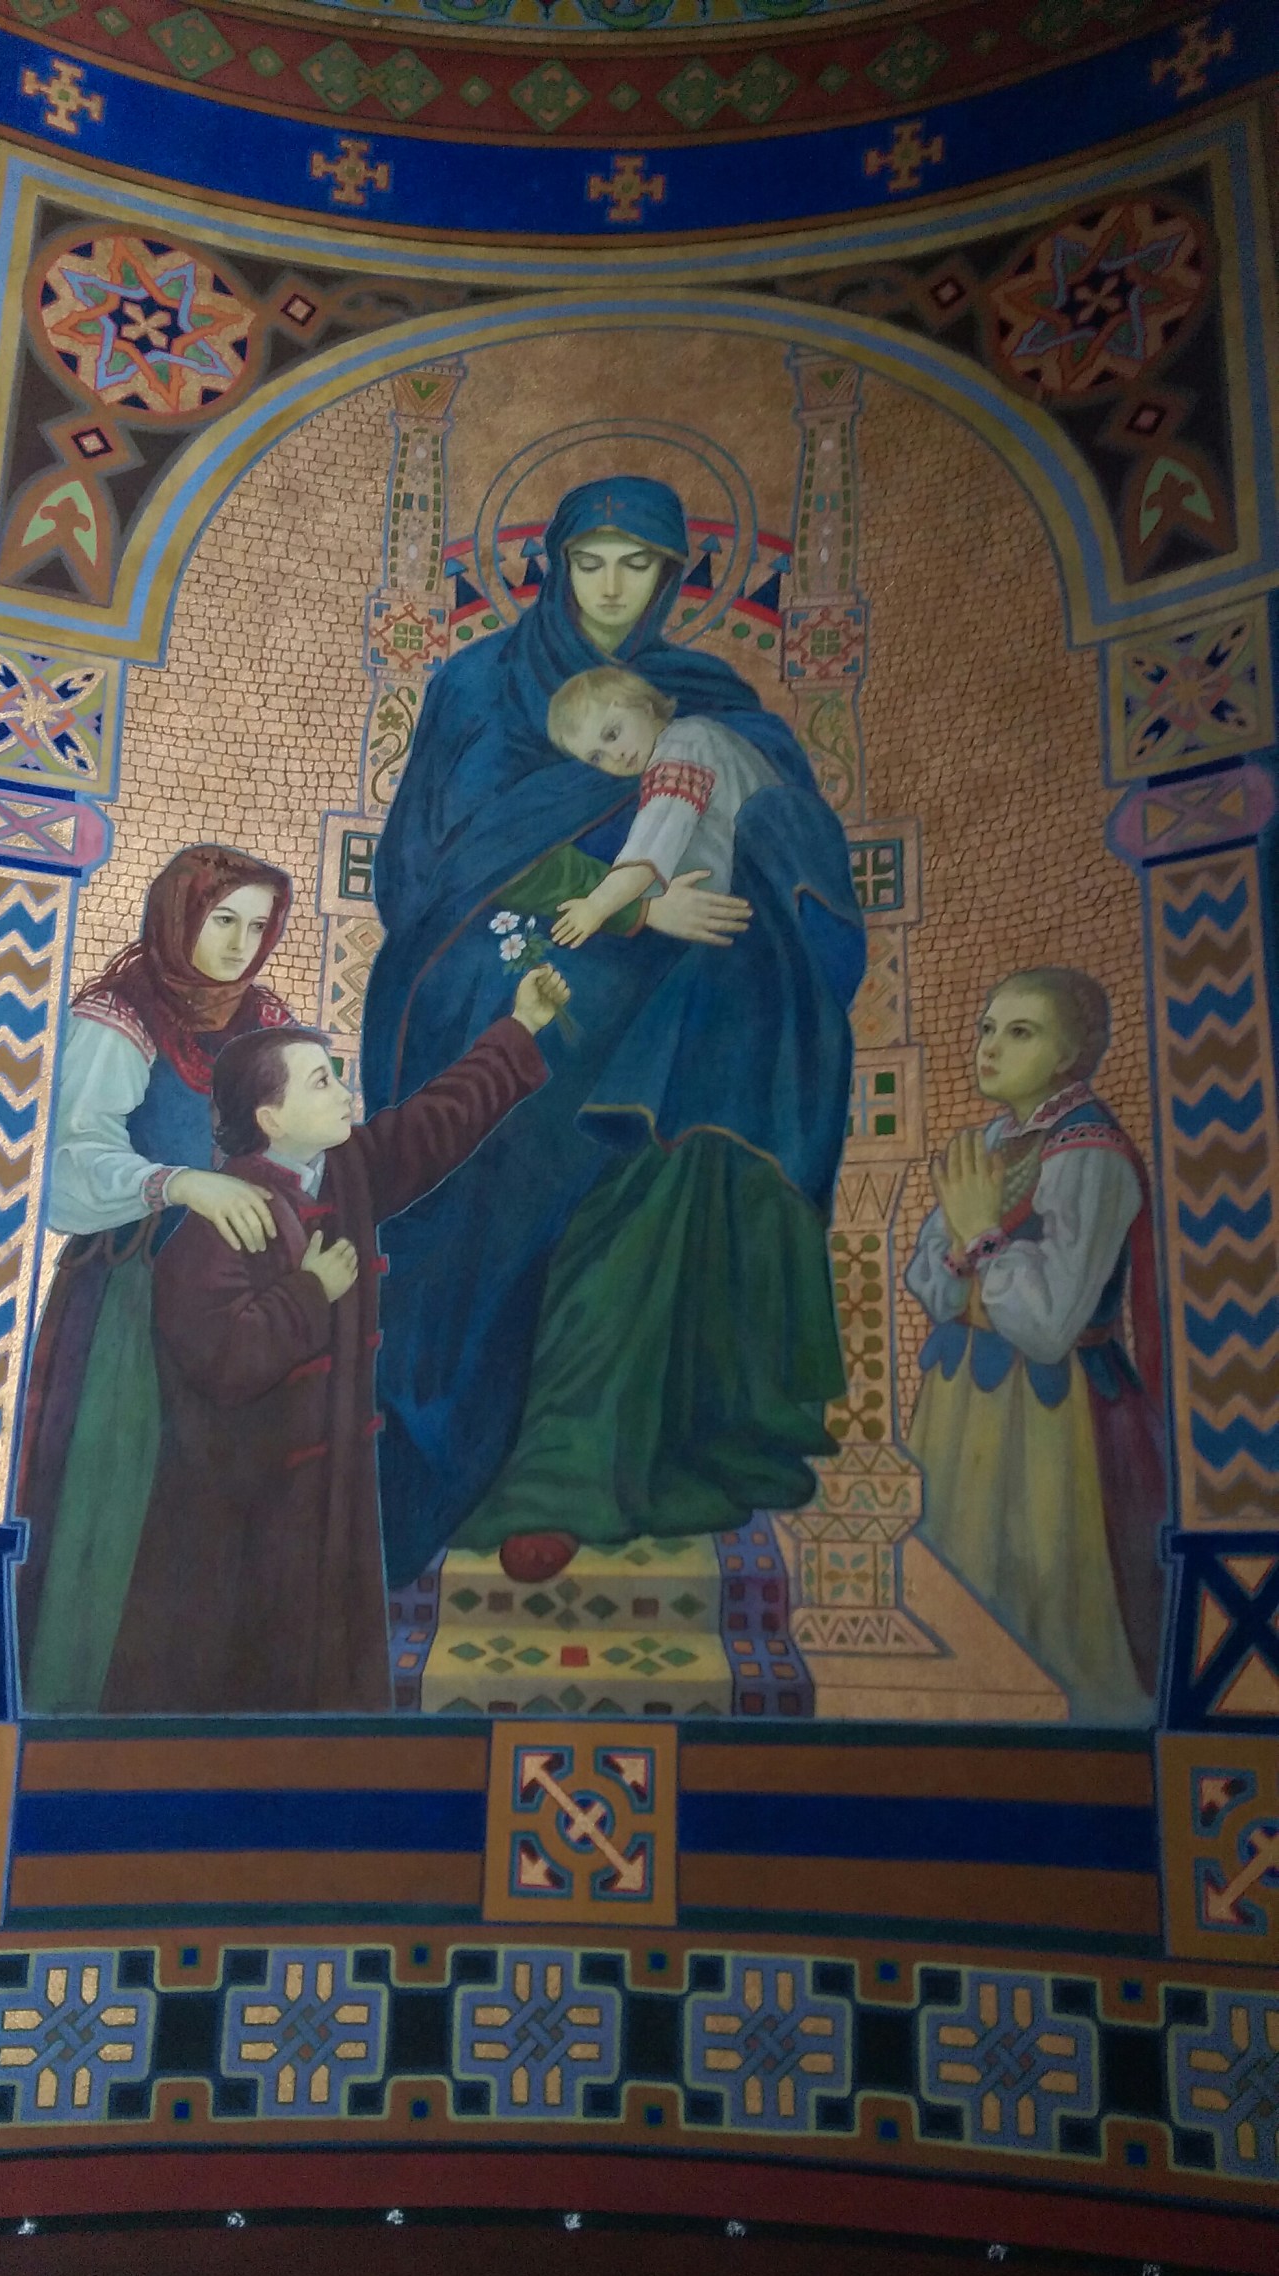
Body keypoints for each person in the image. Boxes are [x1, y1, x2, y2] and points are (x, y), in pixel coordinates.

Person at [362, 474, 865, 1589]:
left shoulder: (705, 698)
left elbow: (778, 827)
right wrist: (634, 906)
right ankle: (465, 1445)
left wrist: (691, 902)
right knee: (517, 1100)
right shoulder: (480, 684)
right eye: (589, 561)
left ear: (672, 577)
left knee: (712, 1067)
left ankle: (587, 1455)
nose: (609, 586)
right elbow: (439, 868)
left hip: (665, 979)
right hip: (500, 962)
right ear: (553, 566)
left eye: (637, 565)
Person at [100, 966, 568, 1715]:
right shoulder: (221, 1224)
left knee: (325, 1681)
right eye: (321, 1082)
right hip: (244, 1520)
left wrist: (522, 1027)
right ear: (271, 1116)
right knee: (239, 1690)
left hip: (330, 1500)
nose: (345, 1093)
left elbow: (435, 1122)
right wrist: (309, 1292)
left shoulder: (342, 1172)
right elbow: (225, 1363)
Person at [16, 846, 294, 1713]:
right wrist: (178, 1184)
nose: (240, 944)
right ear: (180, 916)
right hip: (131, 1302)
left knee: (226, 1503)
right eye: (223, 920)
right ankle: (81, 1721)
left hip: (241, 1303)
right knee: (124, 1492)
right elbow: (67, 1165)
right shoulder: (120, 1016)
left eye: (257, 926)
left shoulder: (268, 1021)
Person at [904, 967, 1167, 1722]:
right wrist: (965, 1248)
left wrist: (981, 1238)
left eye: (1021, 1033)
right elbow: (929, 1280)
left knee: (1043, 1603)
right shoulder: (992, 1142)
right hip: (965, 1399)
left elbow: (1050, 1327)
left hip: (1053, 1422)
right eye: (987, 1028)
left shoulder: (1091, 1156)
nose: (989, 1047)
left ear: (1069, 1055)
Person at [543, 664, 776, 950]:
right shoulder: (695, 734)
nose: (615, 755)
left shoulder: (683, 747)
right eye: (596, 757)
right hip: (743, 899)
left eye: (612, 734)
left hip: (739, 908)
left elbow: (651, 845)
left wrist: (596, 906)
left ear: (643, 705)